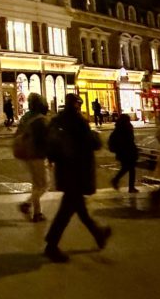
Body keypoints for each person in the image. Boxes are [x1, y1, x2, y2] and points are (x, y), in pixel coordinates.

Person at [43, 93, 111, 263]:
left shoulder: (57, 121)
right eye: (79, 103)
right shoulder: (78, 122)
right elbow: (93, 143)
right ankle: (51, 245)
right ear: (76, 105)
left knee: (78, 208)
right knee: (66, 211)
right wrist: (95, 135)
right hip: (77, 171)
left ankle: (98, 233)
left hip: (65, 171)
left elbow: (50, 146)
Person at [15, 93, 50, 222]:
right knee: (44, 185)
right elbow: (46, 140)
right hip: (38, 155)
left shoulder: (25, 117)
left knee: (37, 184)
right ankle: (27, 204)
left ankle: (38, 212)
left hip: (27, 154)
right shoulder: (40, 120)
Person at [108, 114, 139, 193]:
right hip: (127, 151)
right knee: (130, 168)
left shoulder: (119, 127)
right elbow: (129, 140)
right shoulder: (126, 127)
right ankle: (130, 187)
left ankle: (116, 180)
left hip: (123, 152)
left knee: (127, 168)